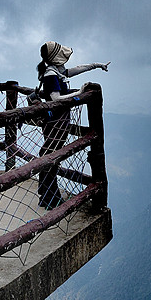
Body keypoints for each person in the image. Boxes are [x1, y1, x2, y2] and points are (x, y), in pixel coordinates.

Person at [36, 41, 109, 209]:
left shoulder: (55, 71)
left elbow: (74, 70)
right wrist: (79, 93)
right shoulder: (50, 74)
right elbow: (55, 98)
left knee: (50, 155)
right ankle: (49, 197)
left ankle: (47, 194)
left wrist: (96, 66)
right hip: (56, 120)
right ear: (55, 56)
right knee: (51, 157)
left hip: (57, 119)